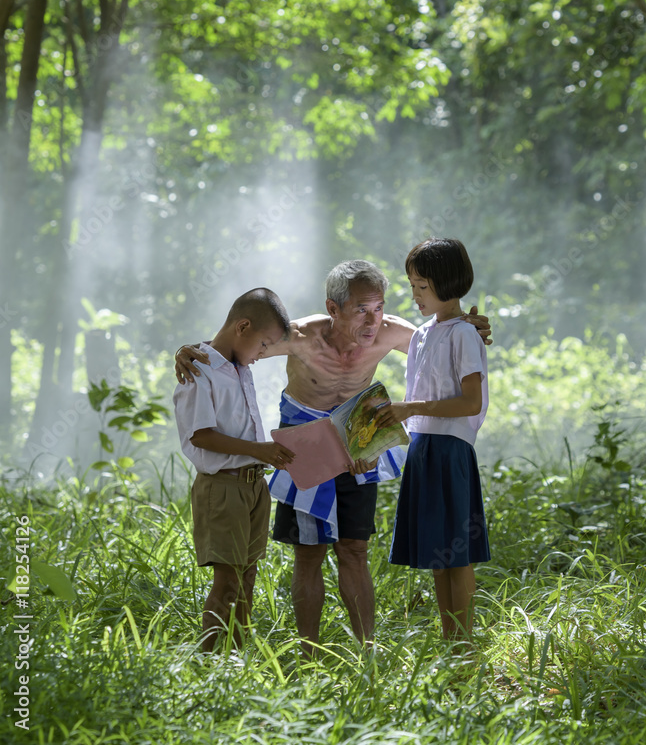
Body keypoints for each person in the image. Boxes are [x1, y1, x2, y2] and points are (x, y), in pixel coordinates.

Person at [175, 259, 492, 656]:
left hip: (358, 441)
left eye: (378, 308)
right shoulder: (301, 336)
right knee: (308, 553)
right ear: (333, 308)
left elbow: (442, 340)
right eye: (361, 309)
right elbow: (239, 340)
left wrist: (472, 326)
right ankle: (308, 653)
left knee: (354, 550)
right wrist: (190, 351)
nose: (372, 320)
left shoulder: (394, 331)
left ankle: (367, 652)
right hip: (305, 445)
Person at [374, 239, 490, 644]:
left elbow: (470, 401)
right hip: (422, 447)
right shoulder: (423, 335)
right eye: (412, 286)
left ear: (448, 282)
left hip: (451, 450)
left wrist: (409, 408)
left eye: (422, 286)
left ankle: (464, 644)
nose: (415, 295)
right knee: (439, 557)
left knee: (457, 556)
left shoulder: (464, 335)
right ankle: (449, 641)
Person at [173, 287, 295, 652]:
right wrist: (259, 450)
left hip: (254, 486)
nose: (262, 355)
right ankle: (208, 663)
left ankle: (236, 661)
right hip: (222, 487)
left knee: (248, 578)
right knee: (227, 582)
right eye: (263, 345)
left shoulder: (240, 369)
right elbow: (202, 436)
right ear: (243, 326)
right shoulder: (199, 368)